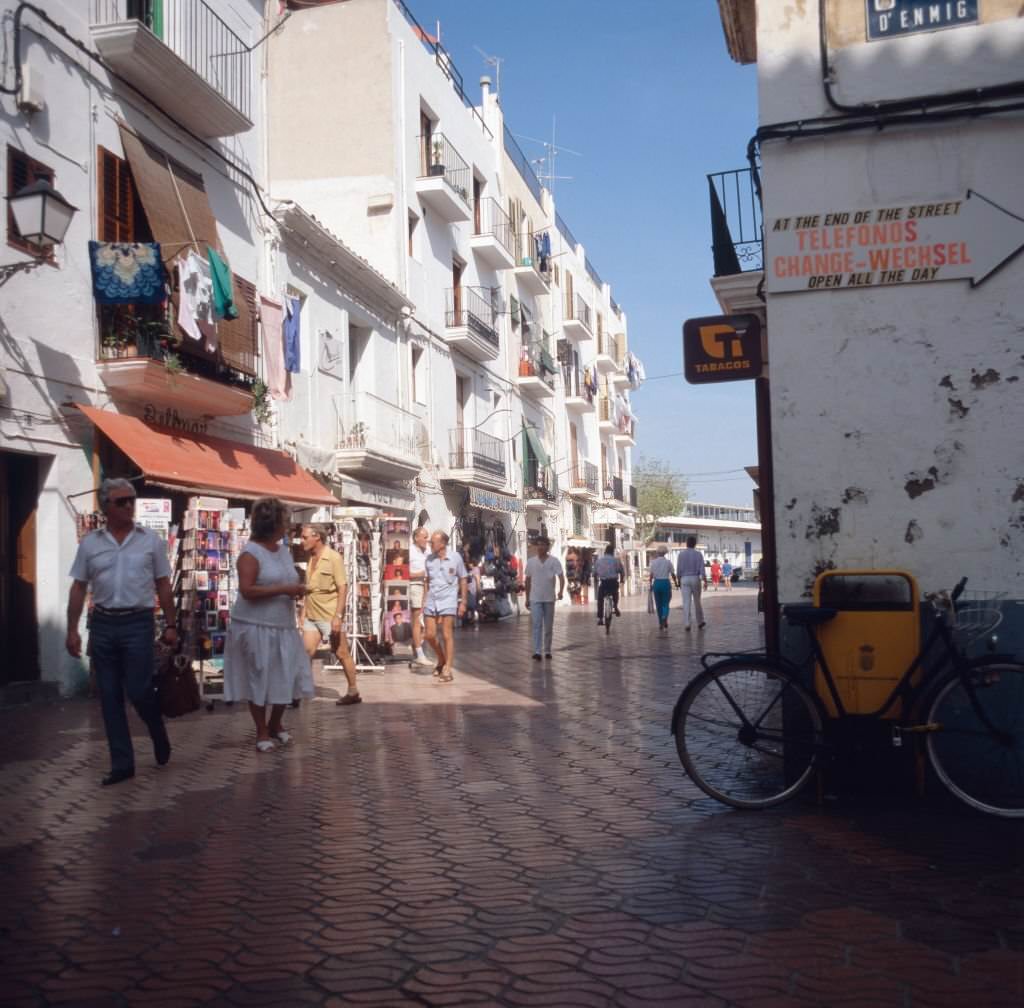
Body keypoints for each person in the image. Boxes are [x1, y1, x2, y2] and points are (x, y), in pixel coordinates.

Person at [66, 478, 176, 786]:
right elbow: (78, 587)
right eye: (122, 501)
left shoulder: (149, 541)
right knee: (109, 695)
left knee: (139, 690)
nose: (129, 505)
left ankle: (156, 728)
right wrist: (72, 629)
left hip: (137, 623)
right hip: (102, 623)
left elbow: (163, 584)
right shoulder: (90, 544)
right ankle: (122, 763)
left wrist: (170, 624)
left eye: (132, 499)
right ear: (106, 507)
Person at [223, 498, 312, 751]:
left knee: (287, 674)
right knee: (258, 676)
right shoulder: (250, 553)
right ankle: (261, 730)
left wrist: (297, 590)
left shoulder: (283, 550)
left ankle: (276, 723)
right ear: (272, 524)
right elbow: (247, 590)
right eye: (284, 522)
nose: (288, 527)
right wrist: (285, 589)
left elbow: (286, 579)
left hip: (283, 625)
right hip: (255, 625)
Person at [299, 525, 361, 706]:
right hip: (312, 613)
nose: (302, 541)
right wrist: (303, 611)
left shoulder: (334, 557)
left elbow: (343, 587)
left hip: (329, 614)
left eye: (304, 537)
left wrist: (338, 616)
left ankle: (353, 691)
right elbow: (309, 588)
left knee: (341, 652)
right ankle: (300, 690)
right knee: (305, 652)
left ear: (316, 537)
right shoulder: (310, 557)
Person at [423, 530, 467, 683]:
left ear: (442, 544)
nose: (430, 544)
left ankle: (448, 667)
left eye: (432, 542)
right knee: (429, 635)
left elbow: (463, 579)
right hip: (431, 599)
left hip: (448, 599)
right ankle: (441, 659)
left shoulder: (455, 558)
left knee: (447, 634)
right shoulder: (429, 560)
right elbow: (427, 580)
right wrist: (424, 599)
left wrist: (463, 602)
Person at [525, 537, 564, 660]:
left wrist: (560, 592)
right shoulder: (531, 562)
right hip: (535, 598)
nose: (540, 547)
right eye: (538, 545)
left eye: (543, 545)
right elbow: (527, 580)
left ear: (547, 547)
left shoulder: (554, 561)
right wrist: (527, 597)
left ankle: (547, 650)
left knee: (548, 626)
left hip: (549, 598)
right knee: (536, 625)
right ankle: (537, 651)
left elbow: (561, 577)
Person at [408, 526, 432, 666]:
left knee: (428, 622)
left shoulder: (427, 551)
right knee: (417, 620)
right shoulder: (410, 552)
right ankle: (419, 654)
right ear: (416, 538)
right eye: (424, 537)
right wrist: (420, 574)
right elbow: (404, 573)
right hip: (415, 585)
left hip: (426, 586)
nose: (426, 540)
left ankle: (416, 648)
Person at [676, 535, 707, 632]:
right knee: (697, 601)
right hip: (695, 578)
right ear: (695, 544)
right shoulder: (698, 554)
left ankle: (687, 623)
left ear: (686, 543)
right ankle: (700, 621)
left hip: (684, 579)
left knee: (686, 602)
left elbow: (679, 569)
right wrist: (705, 580)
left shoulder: (681, 554)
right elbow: (702, 569)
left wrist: (678, 580)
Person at [594, 544, 624, 626]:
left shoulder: (599, 561)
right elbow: (621, 571)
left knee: (600, 599)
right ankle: (615, 607)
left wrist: (596, 580)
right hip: (613, 582)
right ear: (612, 552)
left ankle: (600, 618)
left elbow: (595, 573)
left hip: (603, 583)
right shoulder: (616, 560)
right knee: (615, 593)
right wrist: (621, 580)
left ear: (605, 552)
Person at [649, 545, 675, 630]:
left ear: (657, 552)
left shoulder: (653, 562)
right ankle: (664, 617)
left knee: (658, 604)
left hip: (657, 583)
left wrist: (650, 584)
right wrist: (676, 582)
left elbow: (651, 575)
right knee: (666, 603)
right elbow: (672, 574)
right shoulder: (668, 562)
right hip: (665, 583)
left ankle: (661, 622)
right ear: (665, 553)